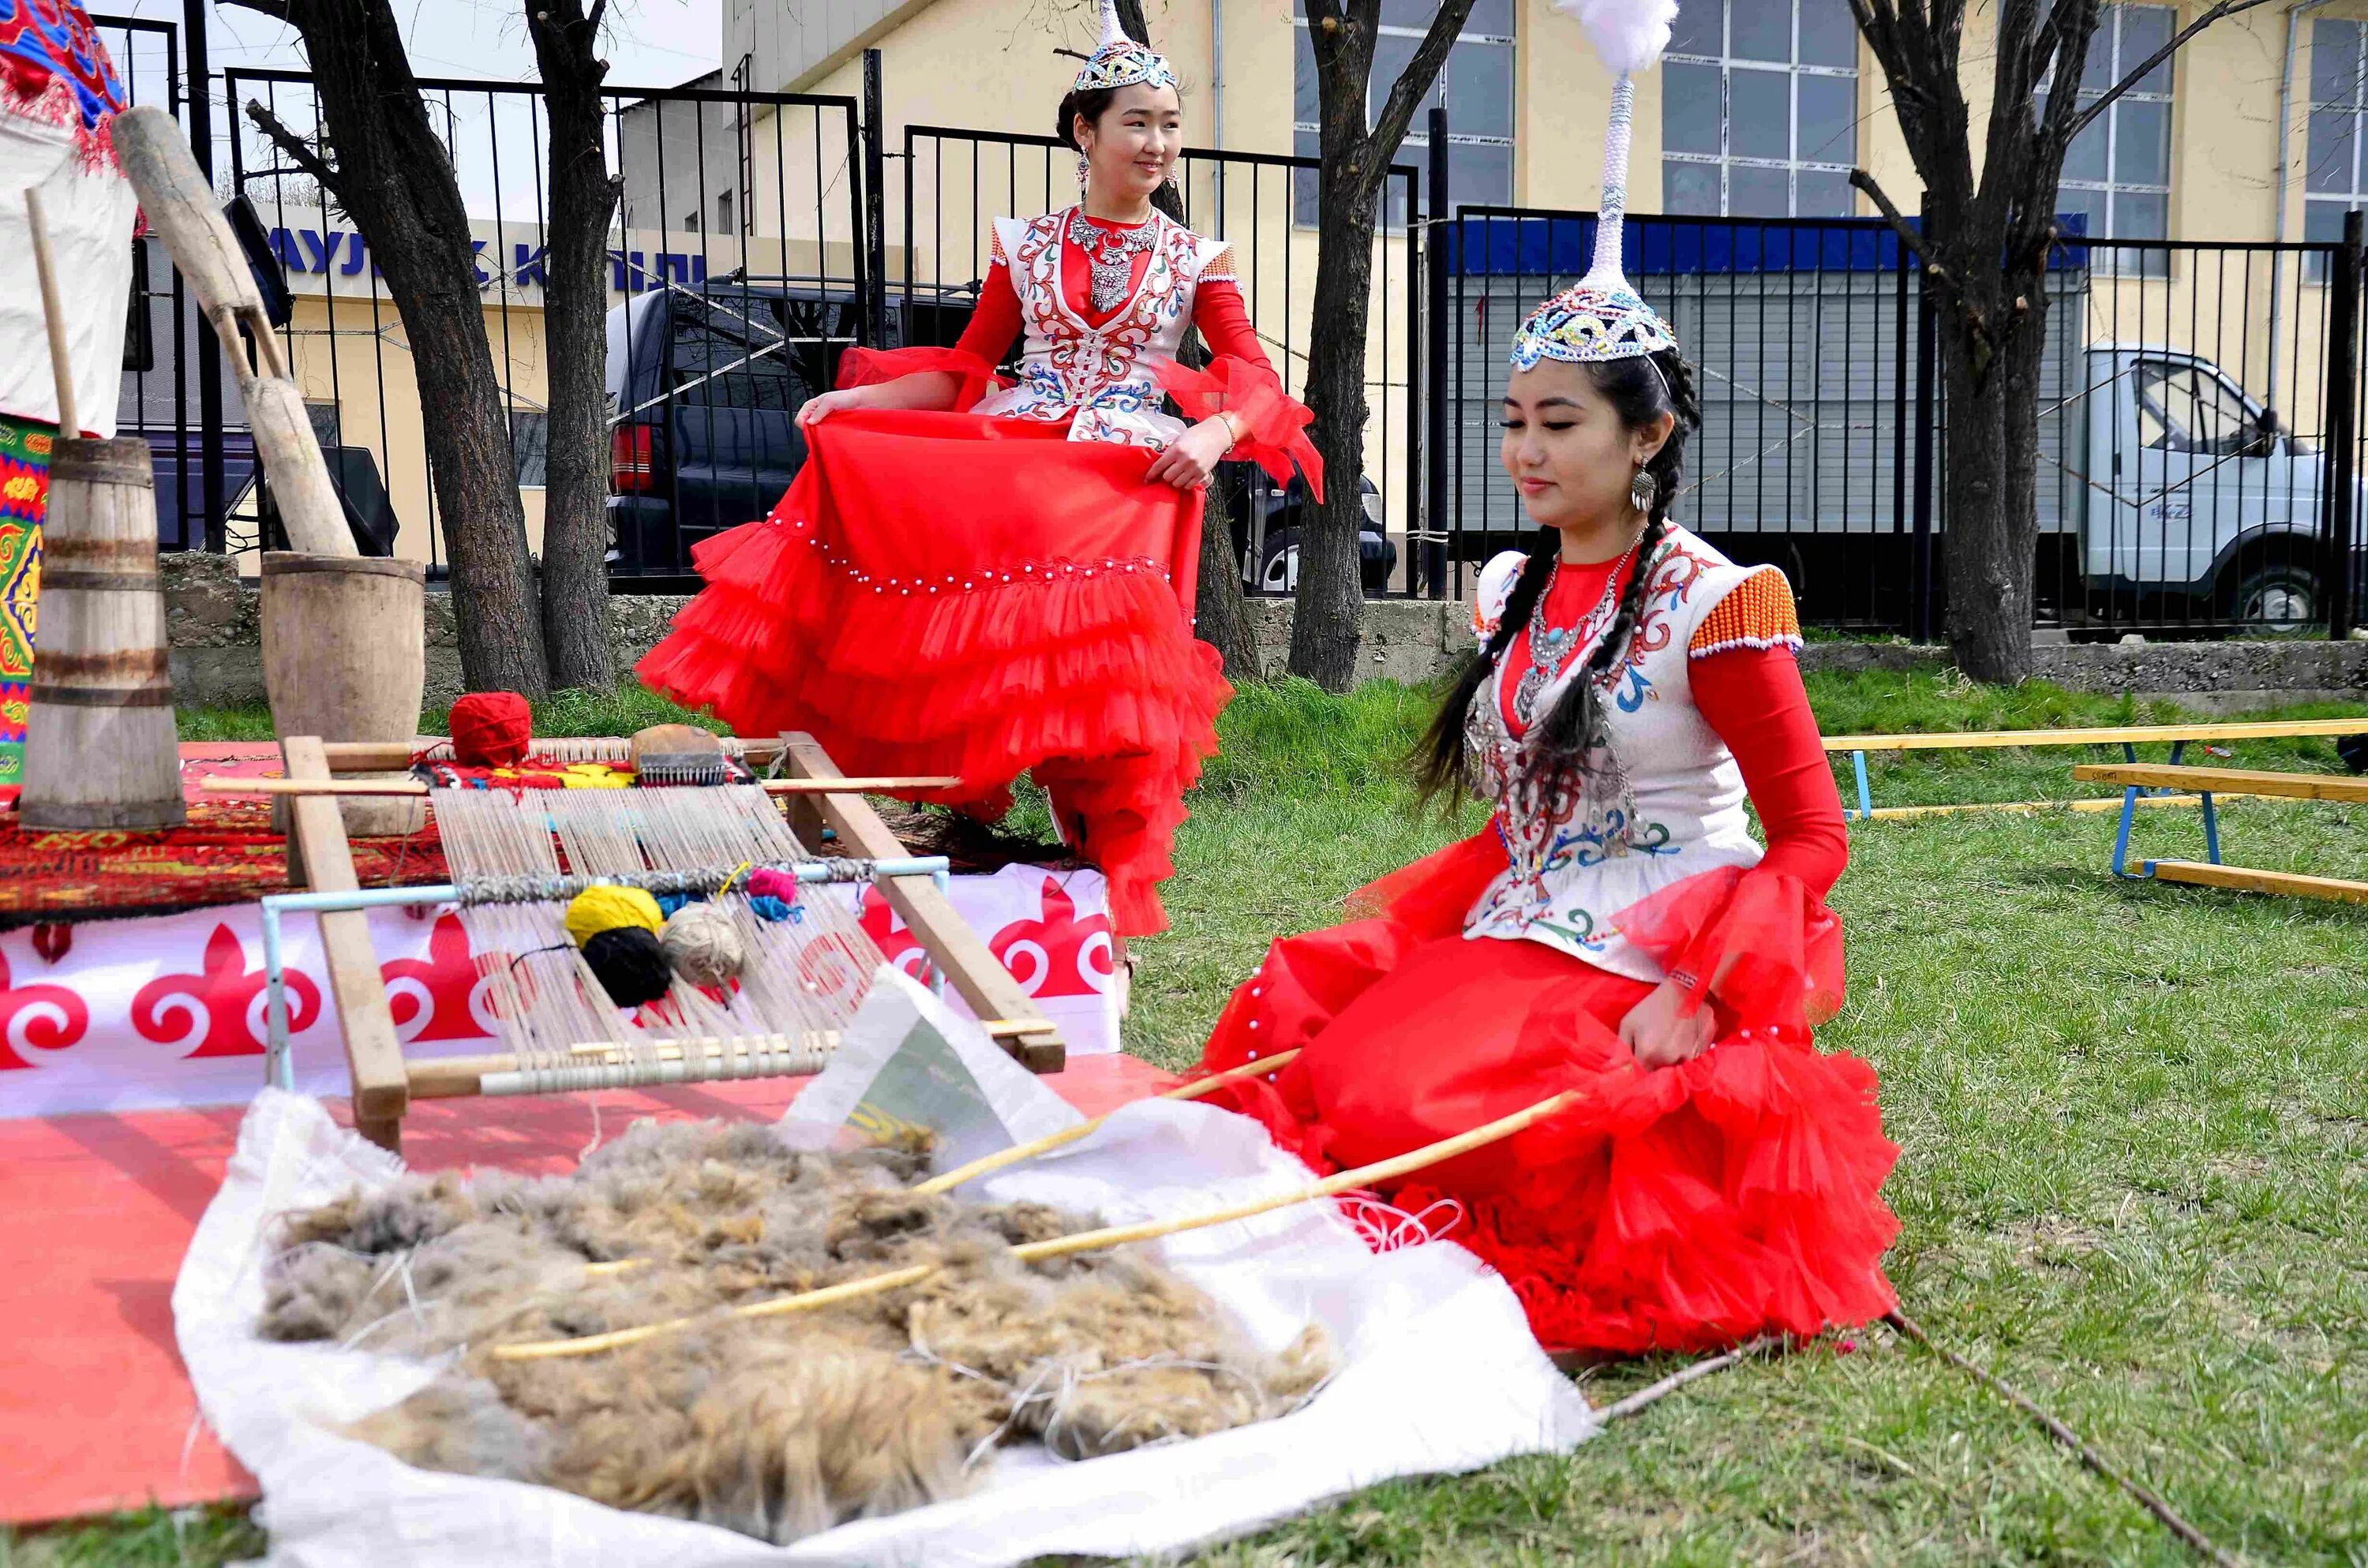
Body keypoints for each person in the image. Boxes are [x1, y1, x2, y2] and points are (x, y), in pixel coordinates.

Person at [1193, 8, 1898, 1358]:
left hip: (1645, 948)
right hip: (1517, 926)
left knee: (1412, 1120)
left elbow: (1813, 837)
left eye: (1560, 423)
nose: (1526, 449)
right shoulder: (1509, 592)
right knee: (1331, 1079)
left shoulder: (1719, 600)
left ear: (1649, 437)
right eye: (1513, 420)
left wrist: (1697, 991)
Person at [638, 0, 1319, 954]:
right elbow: (966, 372)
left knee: (1105, 697)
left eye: (1170, 124)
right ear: (1084, 130)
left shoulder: (1194, 256)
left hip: (1127, 488)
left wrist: (1214, 434)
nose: (1158, 141)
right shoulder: (1026, 244)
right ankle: (902, 852)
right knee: (991, 669)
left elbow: (1254, 377)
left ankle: (1102, 913)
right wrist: (857, 408)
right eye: (1138, 120)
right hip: (1018, 467)